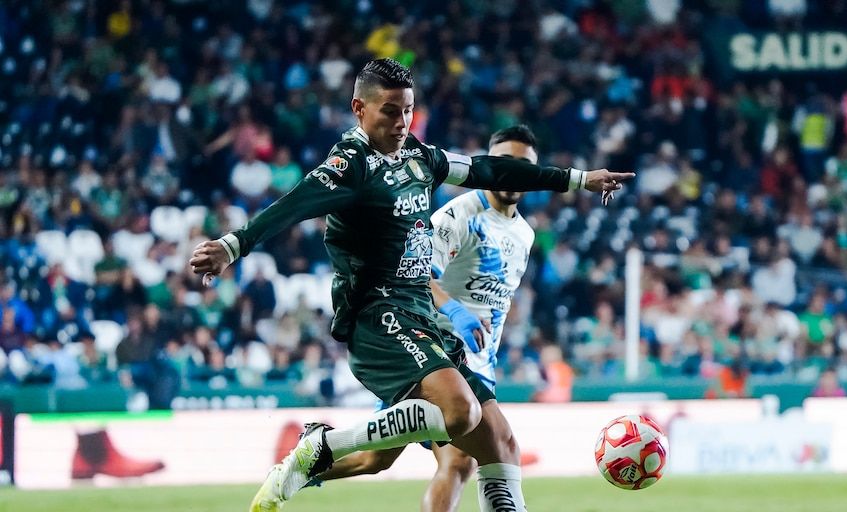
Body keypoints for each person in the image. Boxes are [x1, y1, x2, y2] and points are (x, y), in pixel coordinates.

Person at [188, 59, 631, 512]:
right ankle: (321, 446)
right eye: (390, 111)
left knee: (498, 443)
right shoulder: (349, 166)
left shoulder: (420, 157)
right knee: (459, 415)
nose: (401, 123)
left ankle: (308, 464)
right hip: (378, 316)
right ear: (359, 108)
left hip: (420, 317)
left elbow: (487, 170)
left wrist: (579, 179)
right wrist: (231, 246)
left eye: (407, 110)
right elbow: (291, 206)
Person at [305, 124, 542, 511]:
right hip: (437, 355)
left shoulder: (525, 234)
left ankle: (306, 463)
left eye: (524, 166)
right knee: (463, 460)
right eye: (505, 162)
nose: (513, 173)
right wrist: (454, 311)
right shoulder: (461, 214)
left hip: (480, 363)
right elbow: (414, 272)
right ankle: (311, 456)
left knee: (374, 459)